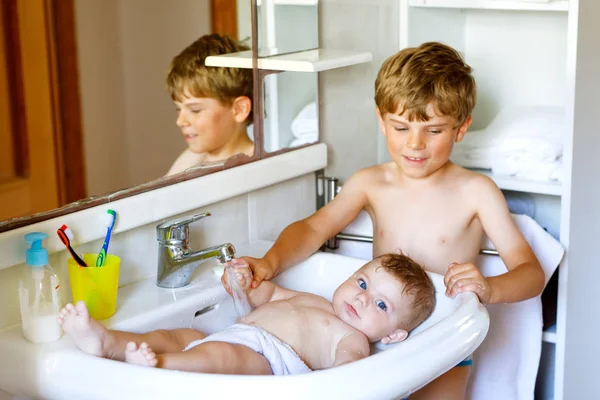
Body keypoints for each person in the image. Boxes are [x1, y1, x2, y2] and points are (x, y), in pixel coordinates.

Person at [224, 42, 545, 399]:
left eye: (434, 131)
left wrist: (491, 287)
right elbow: (314, 228)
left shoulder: (476, 191)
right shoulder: (370, 183)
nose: (416, 144)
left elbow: (531, 272)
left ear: (461, 128)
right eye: (401, 127)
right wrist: (270, 262)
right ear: (381, 120)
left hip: (443, 341)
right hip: (373, 337)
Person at [58, 253, 434, 375]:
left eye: (382, 306)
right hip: (238, 332)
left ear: (393, 335)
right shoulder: (317, 299)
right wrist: (242, 282)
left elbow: (344, 377)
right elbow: (264, 293)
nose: (363, 300)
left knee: (218, 357)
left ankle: (158, 367)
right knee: (180, 335)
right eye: (363, 284)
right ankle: (109, 342)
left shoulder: (353, 340)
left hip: (269, 359)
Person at [165, 34, 254, 176]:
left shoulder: (257, 167)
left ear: (239, 109)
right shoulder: (190, 159)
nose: (180, 121)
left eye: (195, 110)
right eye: (178, 108)